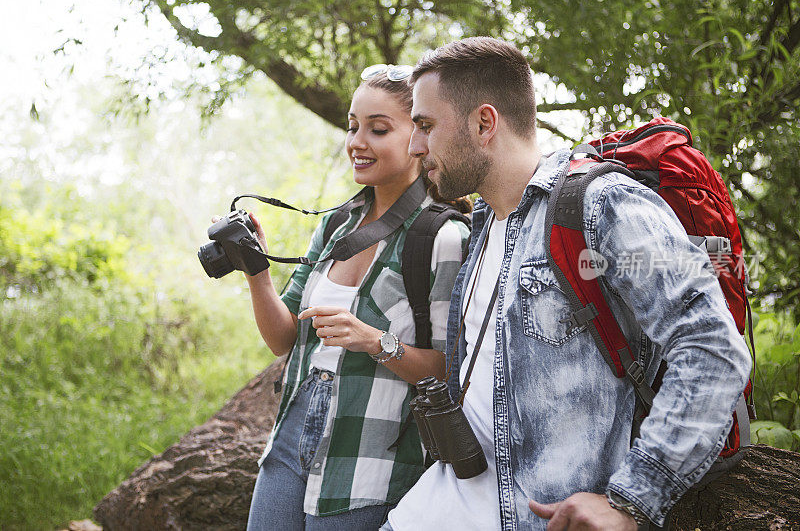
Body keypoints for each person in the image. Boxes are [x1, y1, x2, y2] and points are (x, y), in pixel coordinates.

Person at [383, 37, 752, 530]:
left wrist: (632, 500)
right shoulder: (480, 227)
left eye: (425, 125)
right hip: (437, 506)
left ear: (484, 123)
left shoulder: (604, 206)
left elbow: (712, 348)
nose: (414, 146)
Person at [237, 65, 471, 530]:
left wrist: (374, 341)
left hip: (372, 455)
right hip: (290, 435)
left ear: (420, 135)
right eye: (352, 125)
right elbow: (284, 338)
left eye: (378, 129)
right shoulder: (335, 226)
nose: (356, 142)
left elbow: (452, 370)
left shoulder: (444, 237)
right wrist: (256, 270)